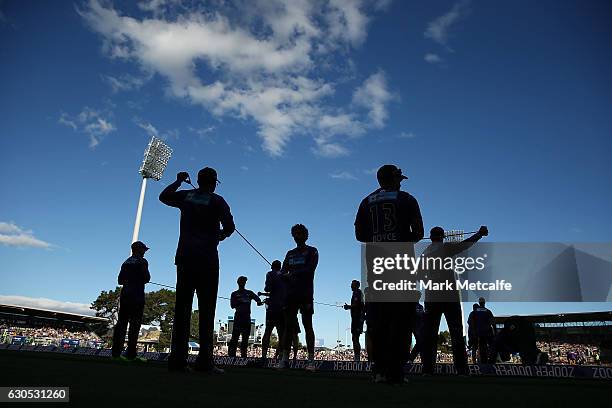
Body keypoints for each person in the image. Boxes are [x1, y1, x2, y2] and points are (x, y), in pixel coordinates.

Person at [159, 167, 235, 373]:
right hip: (207, 260)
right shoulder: (218, 201)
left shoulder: (187, 196)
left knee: (182, 308)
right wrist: (222, 235)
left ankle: (177, 361)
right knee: (207, 309)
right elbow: (230, 227)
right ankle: (204, 363)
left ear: (199, 180)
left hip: (185, 257)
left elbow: (163, 197)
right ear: (214, 182)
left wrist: (178, 181)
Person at [354, 164, 424, 384]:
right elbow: (419, 232)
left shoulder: (366, 201)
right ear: (393, 179)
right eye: (399, 178)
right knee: (401, 318)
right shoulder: (408, 199)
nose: (401, 182)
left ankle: (379, 370)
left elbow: (359, 235)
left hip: (376, 264)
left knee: (379, 319)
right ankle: (396, 371)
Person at [421, 226, 488, 376]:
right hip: (449, 295)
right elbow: (464, 245)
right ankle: (462, 369)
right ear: (442, 237)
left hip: (431, 297)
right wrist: (479, 234)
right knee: (456, 333)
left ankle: (427, 369)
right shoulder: (445, 247)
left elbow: (418, 274)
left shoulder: (425, 253)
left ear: (431, 237)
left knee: (430, 334)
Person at [277, 224, 319, 371]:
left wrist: (292, 274)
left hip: (306, 293)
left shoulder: (312, 251)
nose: (297, 236)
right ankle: (284, 359)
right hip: (290, 295)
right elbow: (283, 271)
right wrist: (282, 275)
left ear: (306, 235)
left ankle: (311, 360)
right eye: (294, 233)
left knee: (308, 325)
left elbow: (309, 270)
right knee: (288, 327)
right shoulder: (289, 253)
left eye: (300, 233)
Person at [111, 241, 151, 362]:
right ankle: (131, 354)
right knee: (135, 325)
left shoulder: (126, 262)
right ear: (139, 250)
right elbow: (147, 278)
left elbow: (120, 280)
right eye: (144, 250)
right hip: (137, 295)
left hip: (125, 295)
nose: (145, 252)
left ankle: (116, 354)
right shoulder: (142, 261)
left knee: (121, 324)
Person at [228, 276, 262, 358]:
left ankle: (244, 356)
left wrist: (258, 301)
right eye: (242, 281)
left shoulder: (249, 292)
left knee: (245, 339)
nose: (243, 283)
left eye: (244, 281)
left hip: (247, 318)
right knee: (235, 338)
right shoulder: (234, 294)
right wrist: (240, 301)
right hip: (238, 317)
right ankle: (231, 356)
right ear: (238, 283)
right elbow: (232, 305)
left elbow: (257, 299)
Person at [260, 260, 285, 361]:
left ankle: (264, 356)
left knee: (267, 331)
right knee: (281, 333)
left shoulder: (270, 274)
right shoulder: (285, 274)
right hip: (282, 307)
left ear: (272, 266)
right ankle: (280, 356)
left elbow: (267, 288)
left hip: (272, 307)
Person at [343, 280, 364, 362]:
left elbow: (357, 305)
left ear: (356, 285)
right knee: (354, 338)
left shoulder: (357, 293)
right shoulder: (356, 293)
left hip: (357, 319)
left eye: (352, 284)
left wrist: (348, 306)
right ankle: (356, 357)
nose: (351, 286)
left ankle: (357, 358)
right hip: (355, 319)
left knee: (355, 337)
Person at [470, 297, 496, 363]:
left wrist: (473, 333)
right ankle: (491, 361)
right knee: (491, 347)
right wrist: (495, 332)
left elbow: (471, 324)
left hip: (479, 333)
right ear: (484, 303)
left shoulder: (474, 312)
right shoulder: (488, 311)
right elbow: (493, 323)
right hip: (488, 333)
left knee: (482, 348)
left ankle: (483, 362)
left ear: (479, 303)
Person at [408, 292, 425, 363]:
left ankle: (411, 359)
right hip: (412, 325)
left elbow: (423, 316)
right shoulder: (409, 306)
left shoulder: (420, 307)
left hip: (419, 326)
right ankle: (409, 359)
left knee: (420, 342)